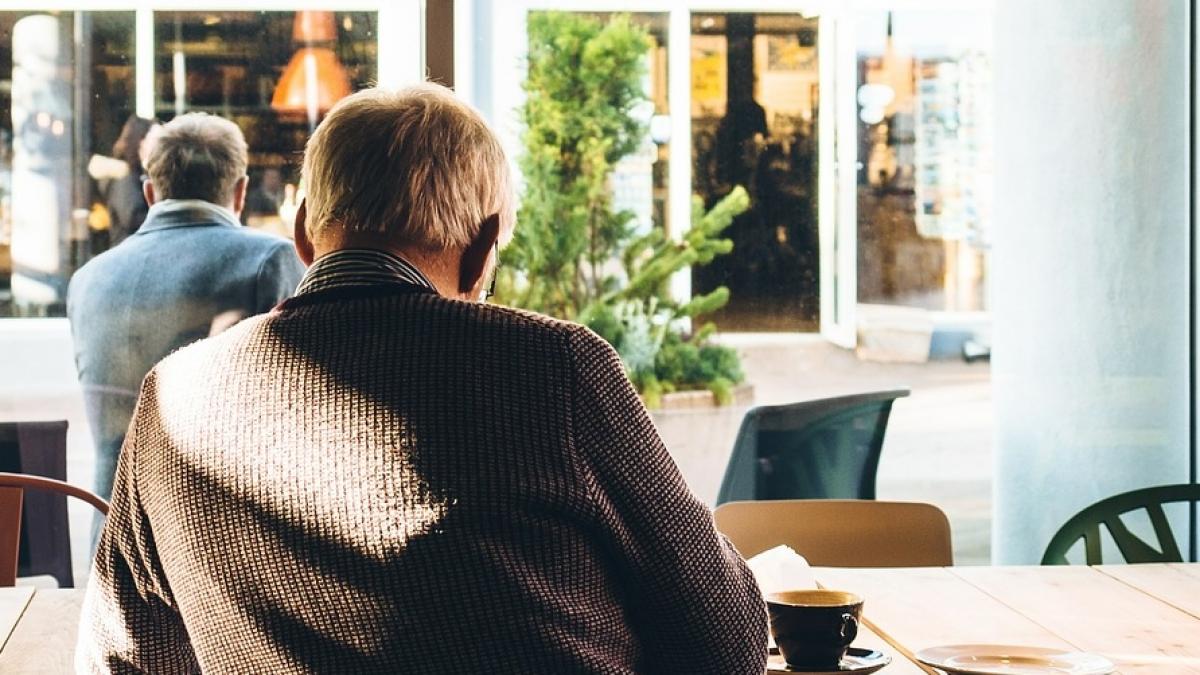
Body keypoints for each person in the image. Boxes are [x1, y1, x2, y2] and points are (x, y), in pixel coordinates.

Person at [77, 84, 768, 674]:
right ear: (481, 250)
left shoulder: (171, 399)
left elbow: (127, 656)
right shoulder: (555, 369)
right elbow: (727, 645)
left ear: (304, 234)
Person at [67, 112, 305, 526]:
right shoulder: (268, 261)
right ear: (241, 191)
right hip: (222, 543)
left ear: (149, 192)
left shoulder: (88, 279)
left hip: (112, 541)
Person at [104, 116, 158, 245]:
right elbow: (133, 219)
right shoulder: (125, 177)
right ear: (141, 142)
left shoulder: (138, 175)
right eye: (155, 140)